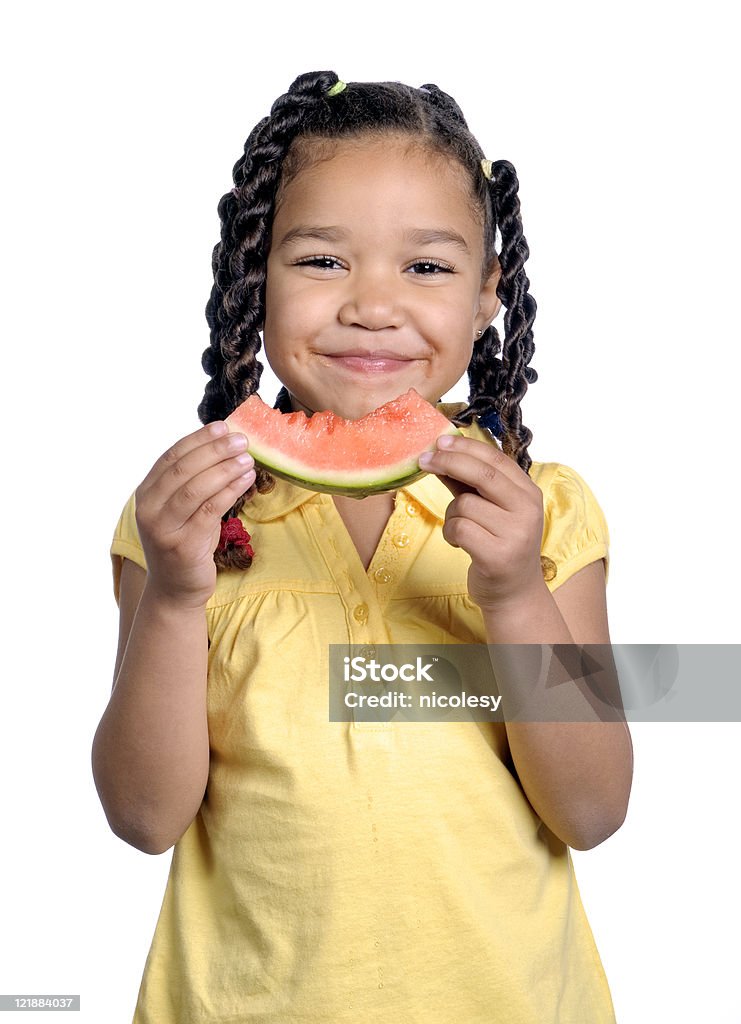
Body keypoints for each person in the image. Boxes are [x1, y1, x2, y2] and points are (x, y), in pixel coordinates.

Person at [92, 71, 634, 1024]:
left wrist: (512, 592)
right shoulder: (186, 516)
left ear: (484, 298)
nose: (372, 306)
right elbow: (144, 818)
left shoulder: (546, 510)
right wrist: (176, 598)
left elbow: (590, 812)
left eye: (425, 267)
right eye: (321, 261)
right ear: (254, 279)